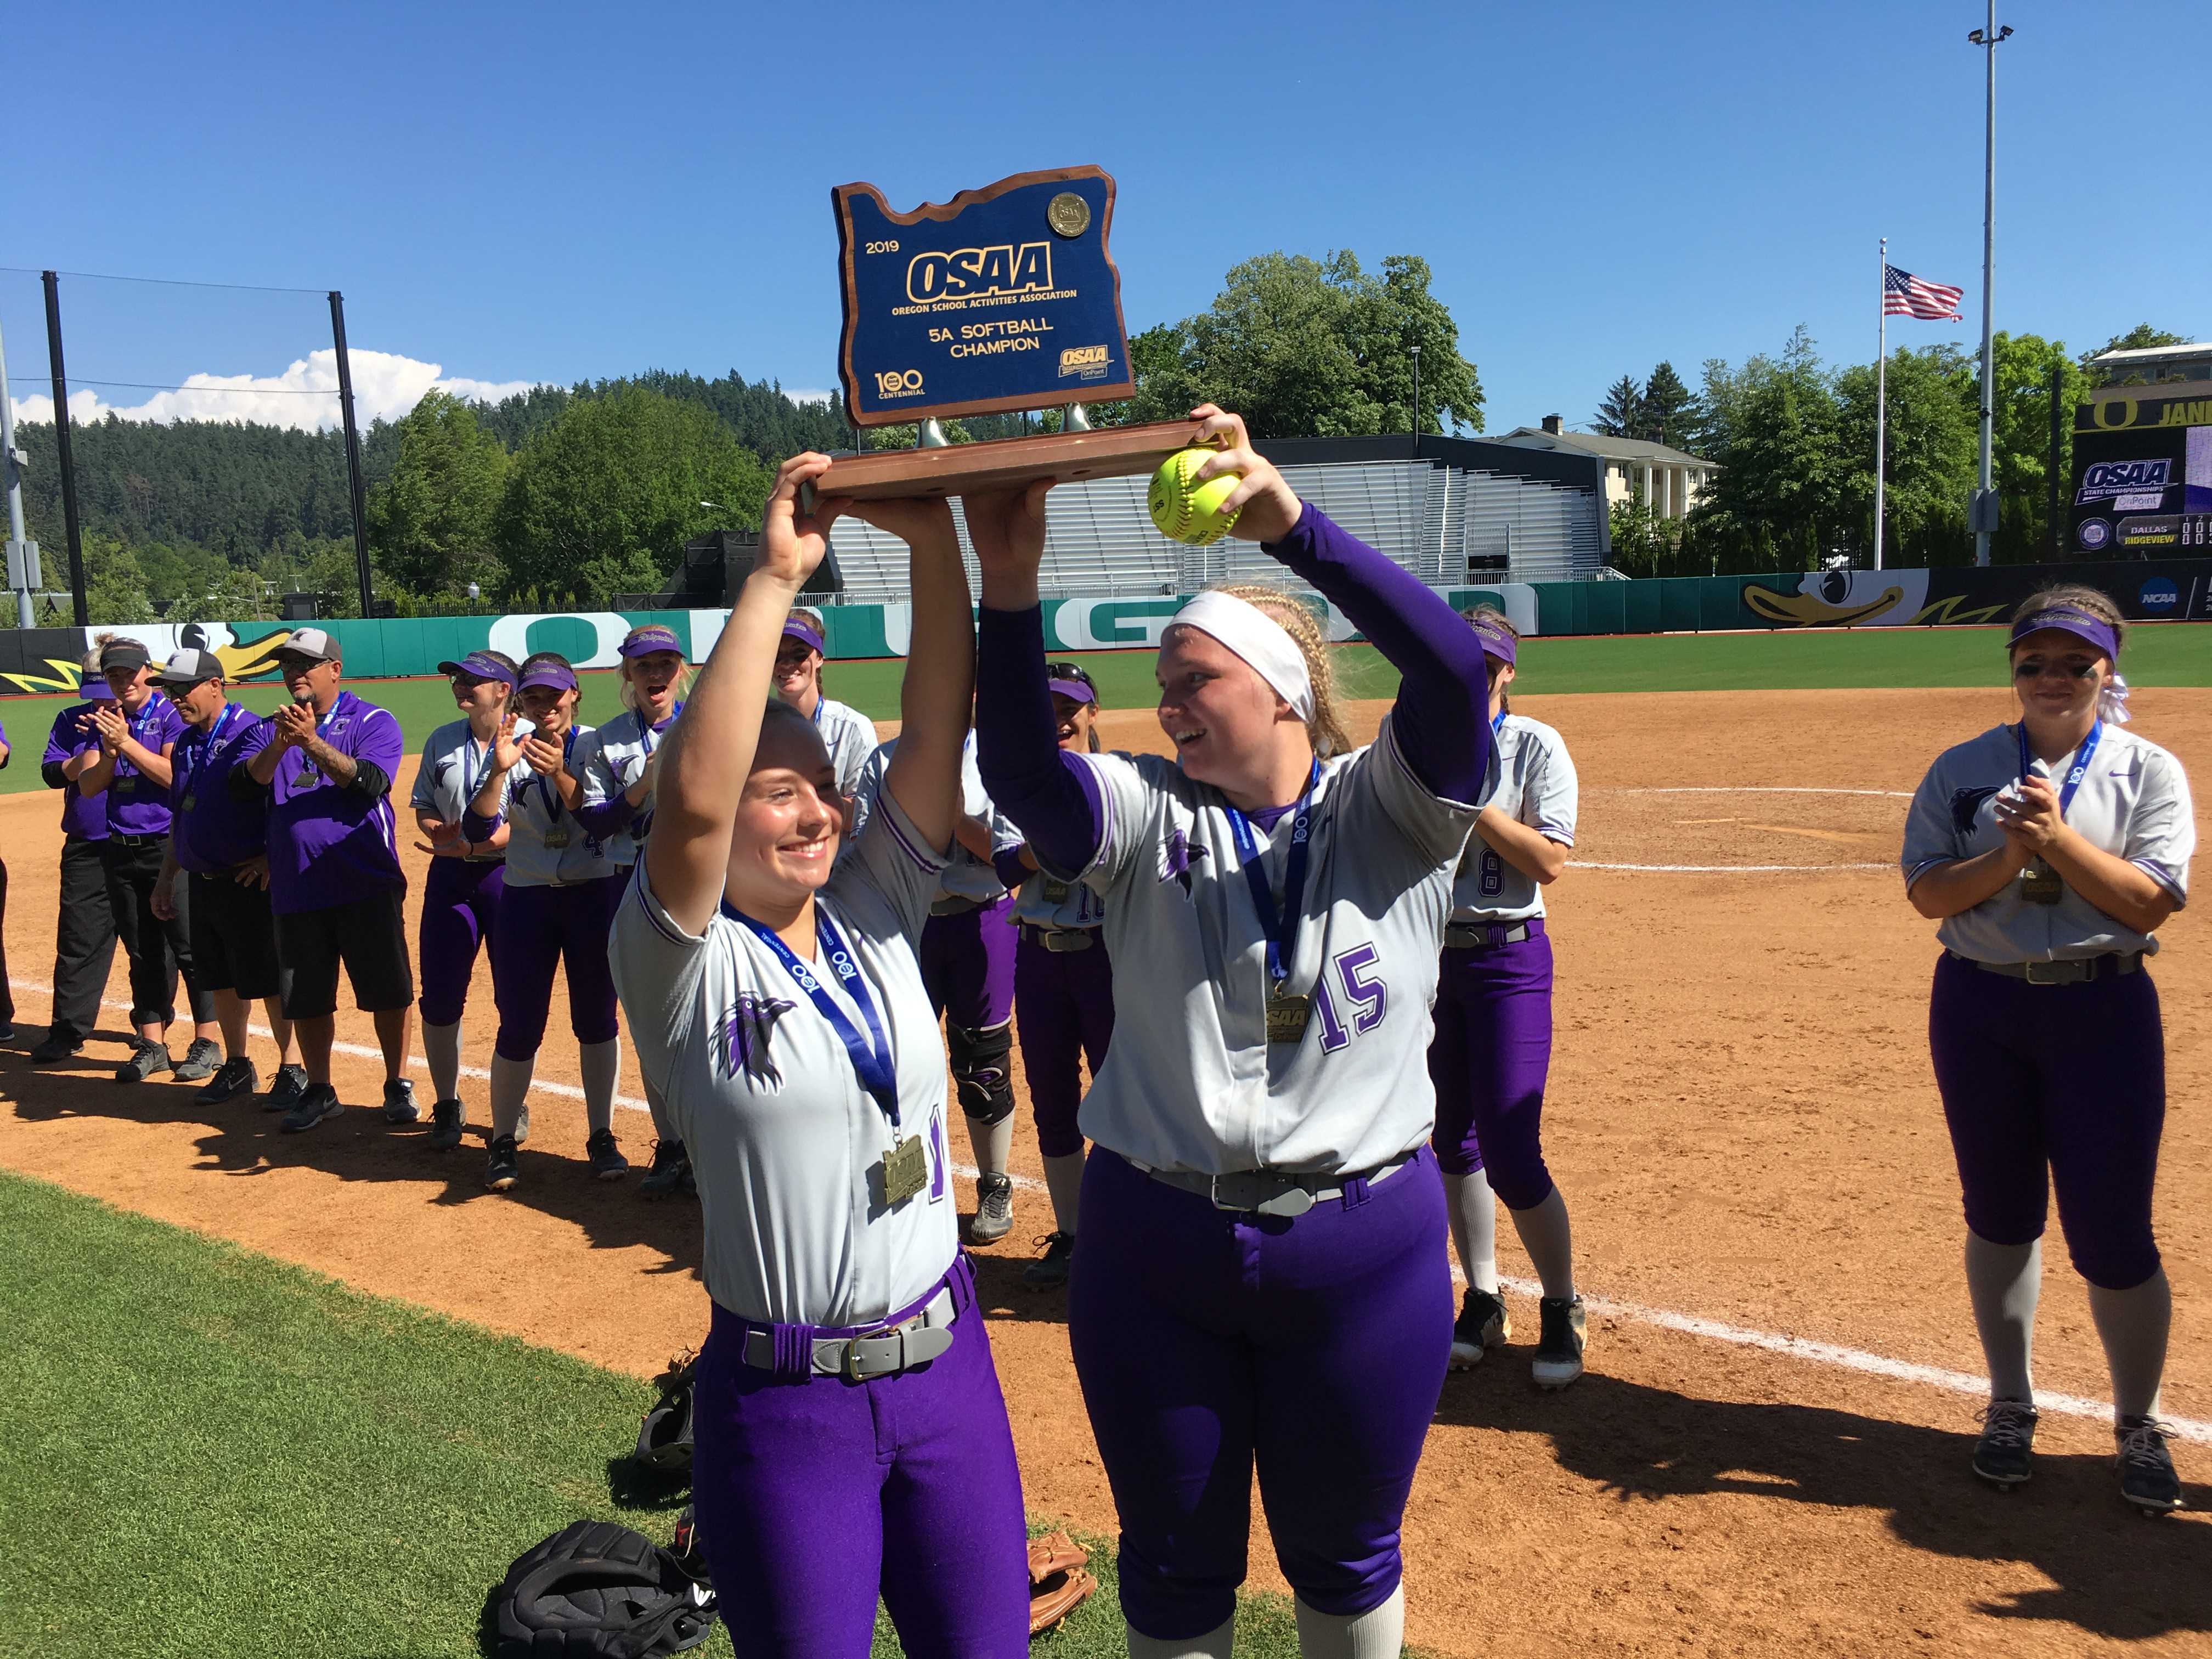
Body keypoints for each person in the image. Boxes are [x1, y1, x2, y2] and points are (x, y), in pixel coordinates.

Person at [973, 405, 1489, 1659]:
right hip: (1158, 1249)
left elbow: (1457, 670)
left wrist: (1291, 526)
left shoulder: (1394, 810)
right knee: (1172, 1564)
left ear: (1282, 692)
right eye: (1161, 690)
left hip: (1362, 1256)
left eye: (1194, 682)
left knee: (1347, 1561)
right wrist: (1008, 585)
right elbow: (1025, 777)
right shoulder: (1149, 808)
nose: (1171, 709)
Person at [610, 453, 1028, 1657]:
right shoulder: (680, 960)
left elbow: (939, 711)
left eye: (824, 791)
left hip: (948, 1372)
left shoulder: (878, 900)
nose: (819, 814)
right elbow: (689, 805)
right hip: (789, 1405)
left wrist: (933, 541)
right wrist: (778, 577)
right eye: (778, 790)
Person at [1901, 586, 2194, 1515]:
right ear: (2013, 671)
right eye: (2035, 662)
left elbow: (2149, 904)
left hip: (2101, 1011)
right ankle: (2010, 1400)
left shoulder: (2148, 770)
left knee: (2112, 1233)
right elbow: (1926, 894)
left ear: (2108, 670)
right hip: (1980, 1007)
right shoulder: (1963, 767)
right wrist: (2008, 856)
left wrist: (2057, 840)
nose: (2054, 677)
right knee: (1999, 1214)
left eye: (2077, 662)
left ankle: (2138, 1421)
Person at [1427, 607, 1585, 1385]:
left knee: (1512, 1150)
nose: (1473, 678)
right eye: (1461, 664)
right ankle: (1483, 1295)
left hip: (1508, 958)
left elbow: (1549, 861)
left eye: (1487, 667)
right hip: (1430, 964)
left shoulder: (1534, 746)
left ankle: (1561, 1304)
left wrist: (1475, 810)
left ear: (1508, 672)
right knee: (1448, 1139)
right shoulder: (1420, 743)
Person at [848, 732, 1026, 1244]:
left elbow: (1009, 855)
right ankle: (906, 1181)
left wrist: (949, 818)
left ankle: (994, 1183)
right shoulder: (885, 760)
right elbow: (861, 849)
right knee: (899, 1056)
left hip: (981, 921)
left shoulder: (997, 759)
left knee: (982, 1057)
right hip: (907, 925)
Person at [237, 627, 416, 1132]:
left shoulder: (372, 720)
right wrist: (281, 743)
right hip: (297, 887)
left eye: (305, 664)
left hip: (364, 881)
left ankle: (398, 1082)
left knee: (388, 989)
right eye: (287, 665)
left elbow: (370, 784)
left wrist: (311, 741)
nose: (293, 672)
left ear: (334, 670)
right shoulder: (270, 729)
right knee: (307, 996)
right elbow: (245, 787)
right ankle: (320, 1089)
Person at [465, 652, 630, 1190]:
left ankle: (602, 1135)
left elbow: (604, 822)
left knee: (597, 1019)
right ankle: (504, 1141)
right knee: (519, 1023)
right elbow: (478, 823)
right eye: (532, 697)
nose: (545, 706)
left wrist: (559, 772)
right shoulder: (507, 747)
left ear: (575, 694)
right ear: (520, 701)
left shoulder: (597, 746)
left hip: (593, 893)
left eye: (554, 695)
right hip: (528, 898)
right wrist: (498, 770)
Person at [147, 650, 304, 1103]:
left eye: (184, 688)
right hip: (203, 879)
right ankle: (237, 1065)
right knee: (221, 979)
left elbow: (286, 803)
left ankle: (292, 1068)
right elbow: (182, 814)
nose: (175, 699)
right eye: (170, 691)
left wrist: (273, 860)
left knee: (268, 980)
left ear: (216, 684)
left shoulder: (255, 732)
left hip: (248, 881)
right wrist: (166, 877)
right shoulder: (188, 742)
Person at [1004, 662, 1114, 1289]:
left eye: (1071, 707)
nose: (1060, 721)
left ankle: (1124, 1232)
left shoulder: (1121, 780)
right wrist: (1054, 843)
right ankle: (1071, 1235)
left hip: (1107, 955)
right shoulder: (1019, 786)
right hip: (1040, 954)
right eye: (1046, 710)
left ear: (1093, 711)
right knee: (1052, 1098)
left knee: (1120, 1095)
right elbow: (997, 863)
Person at [574, 622, 692, 1196]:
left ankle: (709, 1143)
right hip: (629, 883)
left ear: (680, 670)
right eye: (644, 665)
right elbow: (596, 823)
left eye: (666, 664)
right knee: (649, 1021)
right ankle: (671, 1146)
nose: (656, 675)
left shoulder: (706, 727)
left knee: (706, 1014)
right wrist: (641, 789)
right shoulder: (604, 740)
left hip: (698, 885)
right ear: (627, 673)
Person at [74, 636, 222, 1082]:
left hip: (167, 847)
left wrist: (128, 748)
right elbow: (89, 786)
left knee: (190, 947)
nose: (123, 683)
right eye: (114, 676)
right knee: (141, 951)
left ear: (147, 672)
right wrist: (112, 750)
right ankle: (153, 1043)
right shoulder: (111, 719)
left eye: (130, 673)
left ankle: (208, 1041)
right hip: (121, 847)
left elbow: (174, 778)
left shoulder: (169, 716)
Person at [409, 650, 523, 1152]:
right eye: (456, 678)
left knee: (515, 997)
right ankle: (447, 1101)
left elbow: (529, 823)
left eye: (473, 680)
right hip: (450, 877)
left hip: (511, 878)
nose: (460, 686)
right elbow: (426, 807)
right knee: (439, 996)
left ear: (503, 690)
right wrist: (439, 834)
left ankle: (512, 1098)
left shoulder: (529, 741)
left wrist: (476, 845)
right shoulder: (441, 740)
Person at [30, 651, 124, 1065]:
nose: (104, 703)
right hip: (86, 843)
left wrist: (118, 740)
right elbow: (51, 773)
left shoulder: (147, 717)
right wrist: (83, 756)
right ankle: (68, 1029)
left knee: (154, 942)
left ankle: (151, 1030)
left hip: (140, 842)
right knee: (78, 939)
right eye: (97, 694)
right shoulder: (72, 720)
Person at [773, 608, 878, 794]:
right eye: (777, 655)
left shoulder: (852, 728)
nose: (787, 664)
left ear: (819, 658)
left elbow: (863, 808)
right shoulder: (757, 731)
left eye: (799, 654)